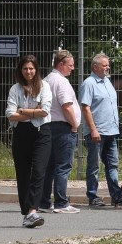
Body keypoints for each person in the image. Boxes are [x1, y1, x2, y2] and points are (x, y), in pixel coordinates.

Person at [6, 55, 53, 228]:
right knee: (23, 173)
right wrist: (35, 110)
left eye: (31, 68)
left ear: (36, 69)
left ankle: (33, 210)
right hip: (21, 133)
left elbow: (45, 112)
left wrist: (23, 111)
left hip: (42, 132)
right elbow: (10, 114)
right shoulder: (15, 89)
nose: (29, 71)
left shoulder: (45, 87)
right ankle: (27, 212)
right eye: (25, 68)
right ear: (20, 71)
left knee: (39, 171)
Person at [78, 52, 122, 207]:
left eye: (108, 64)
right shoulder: (89, 84)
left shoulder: (107, 81)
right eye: (105, 65)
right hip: (98, 132)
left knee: (112, 164)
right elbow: (85, 108)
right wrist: (93, 130)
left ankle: (116, 195)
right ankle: (93, 196)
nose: (108, 67)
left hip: (111, 131)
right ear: (95, 67)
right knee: (94, 166)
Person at [39, 49, 81, 214]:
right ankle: (61, 203)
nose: (72, 68)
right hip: (63, 128)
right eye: (70, 65)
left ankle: (43, 202)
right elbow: (66, 105)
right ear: (61, 64)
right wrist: (75, 124)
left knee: (49, 166)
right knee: (63, 165)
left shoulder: (46, 80)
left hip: (48, 126)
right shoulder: (61, 82)